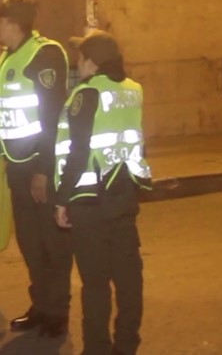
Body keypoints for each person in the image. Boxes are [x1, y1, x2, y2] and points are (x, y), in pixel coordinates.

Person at [54, 30, 152, 355]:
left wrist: (61, 199)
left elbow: (78, 152)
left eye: (80, 58)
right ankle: (126, 346)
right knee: (128, 281)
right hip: (123, 197)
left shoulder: (87, 94)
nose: (77, 64)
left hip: (89, 203)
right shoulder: (133, 89)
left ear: (92, 62)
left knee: (95, 285)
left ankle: (96, 349)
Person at [0, 0, 72, 337]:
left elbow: (52, 117)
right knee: (29, 241)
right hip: (18, 164)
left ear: (15, 23)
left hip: (40, 166)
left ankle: (57, 312)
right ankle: (41, 306)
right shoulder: (8, 57)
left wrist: (43, 170)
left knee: (52, 243)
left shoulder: (44, 55)